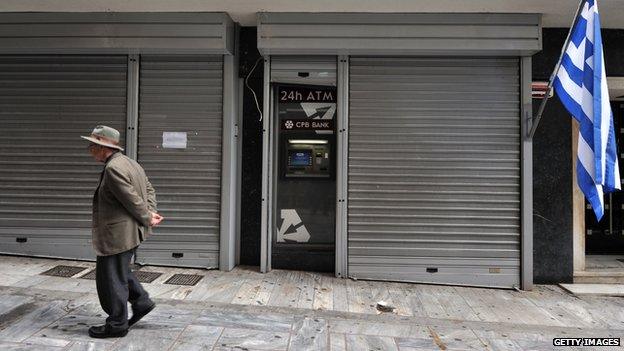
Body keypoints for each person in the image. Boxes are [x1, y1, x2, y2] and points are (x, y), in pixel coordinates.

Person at [81, 125, 164, 338]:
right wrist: (151, 212)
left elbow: (132, 199)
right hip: (129, 232)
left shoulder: (113, 168)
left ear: (103, 147)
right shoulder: (130, 163)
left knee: (111, 279)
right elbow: (149, 190)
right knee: (120, 272)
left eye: (92, 145)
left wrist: (147, 216)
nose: (90, 149)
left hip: (118, 235)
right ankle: (141, 302)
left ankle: (117, 324)